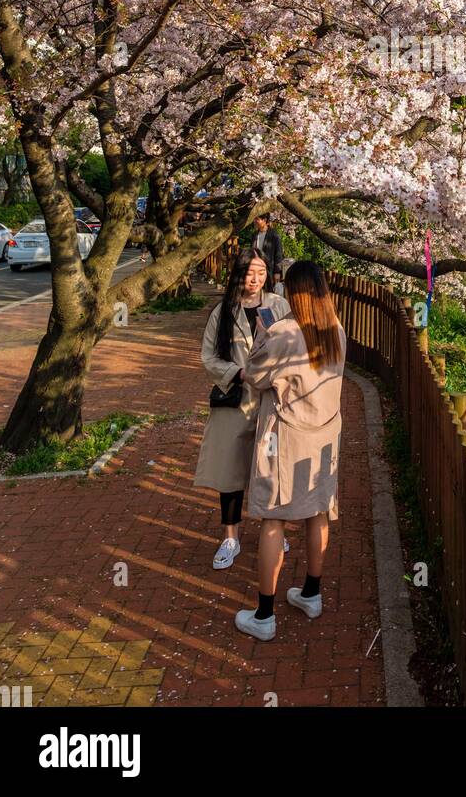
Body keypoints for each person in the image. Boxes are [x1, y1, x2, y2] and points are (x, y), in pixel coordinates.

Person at [235, 260, 346, 641]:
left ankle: (264, 615)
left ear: (291, 292)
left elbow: (256, 374)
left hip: (284, 437)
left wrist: (262, 333)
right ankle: (311, 594)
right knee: (318, 511)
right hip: (324, 437)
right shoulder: (337, 331)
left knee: (273, 519)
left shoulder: (284, 332)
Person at [193, 248, 291, 568]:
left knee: (270, 468)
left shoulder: (278, 306)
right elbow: (209, 357)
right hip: (236, 400)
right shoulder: (223, 311)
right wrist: (239, 373)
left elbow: (293, 347)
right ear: (237, 274)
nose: (256, 279)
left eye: (261, 273)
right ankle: (230, 537)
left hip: (271, 402)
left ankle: (273, 529)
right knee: (231, 473)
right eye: (250, 273)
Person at [252, 214, 283, 291]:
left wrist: (277, 272)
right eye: (255, 219)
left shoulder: (274, 235)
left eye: (257, 219)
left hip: (269, 270)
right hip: (256, 268)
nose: (255, 221)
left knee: (269, 293)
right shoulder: (254, 235)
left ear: (265, 220)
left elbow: (278, 254)